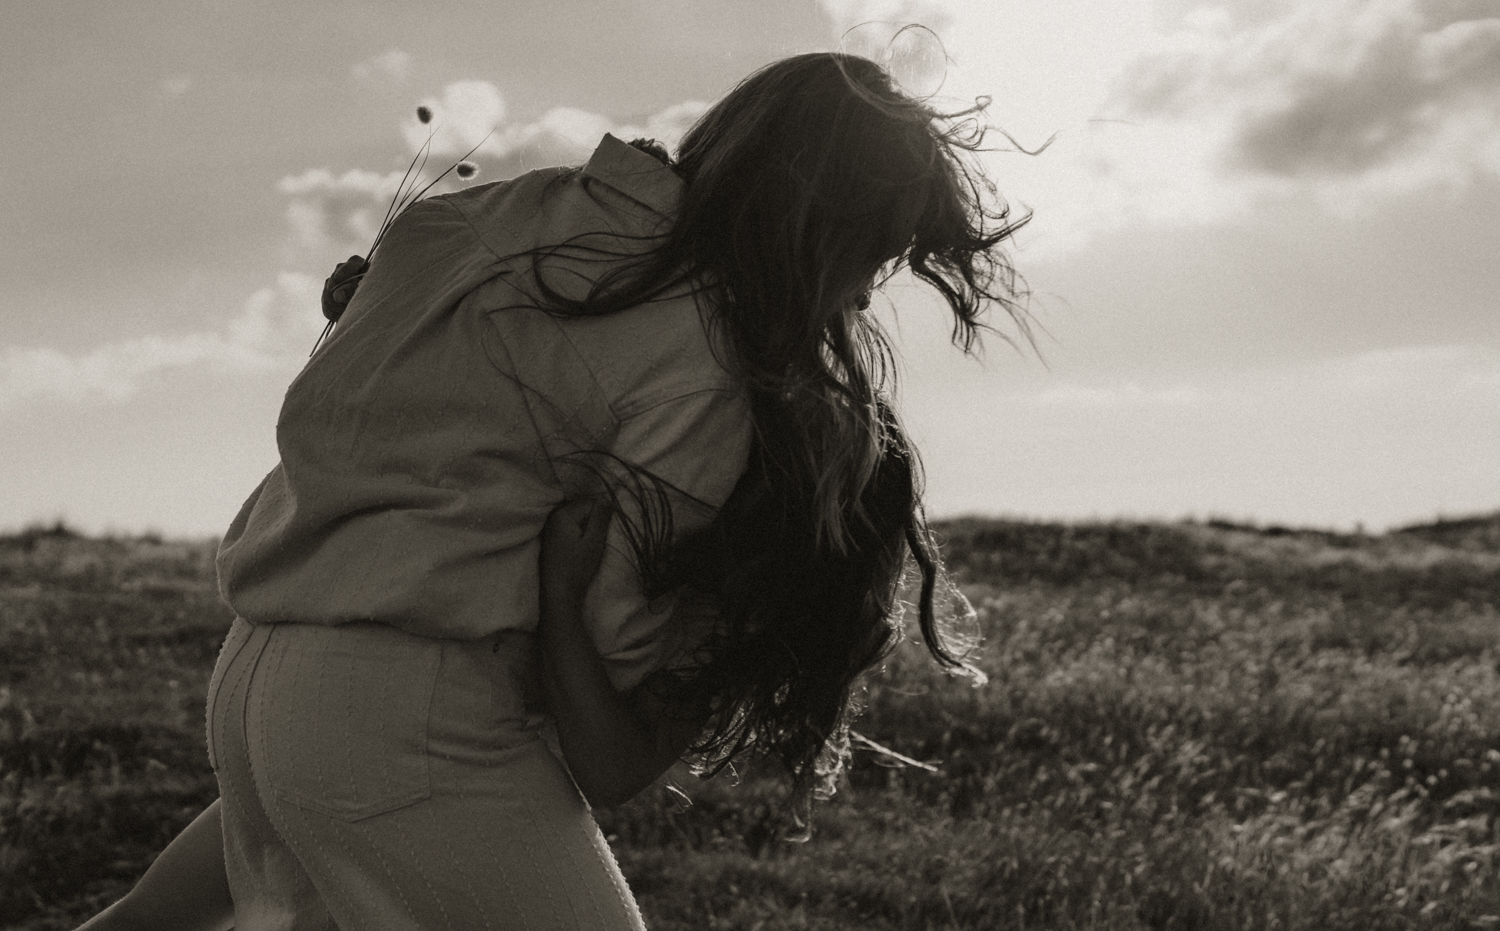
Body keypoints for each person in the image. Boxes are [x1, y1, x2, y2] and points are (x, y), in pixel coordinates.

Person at [74, 47, 1028, 931]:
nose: (866, 294)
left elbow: (373, 373)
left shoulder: (503, 213)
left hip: (257, 675)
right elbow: (607, 680)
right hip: (409, 714)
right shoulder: (705, 360)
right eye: (875, 253)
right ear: (820, 223)